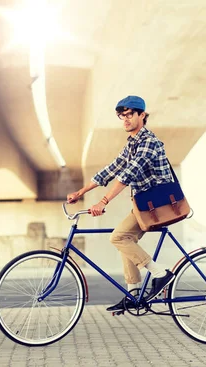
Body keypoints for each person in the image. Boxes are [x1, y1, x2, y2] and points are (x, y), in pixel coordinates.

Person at [66, 95, 175, 311]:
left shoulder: (149, 143)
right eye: (121, 115)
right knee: (124, 239)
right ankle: (134, 294)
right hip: (145, 204)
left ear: (142, 115)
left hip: (159, 203)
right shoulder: (132, 144)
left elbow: (127, 175)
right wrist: (81, 191)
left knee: (118, 237)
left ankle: (161, 273)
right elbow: (112, 168)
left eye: (129, 114)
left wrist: (103, 201)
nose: (125, 119)